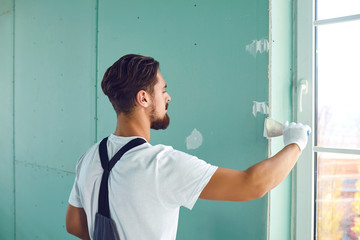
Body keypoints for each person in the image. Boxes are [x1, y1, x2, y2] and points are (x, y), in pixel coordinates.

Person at [66, 54, 310, 240]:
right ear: (143, 98)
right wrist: (296, 143)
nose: (168, 97)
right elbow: (252, 184)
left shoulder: (88, 157)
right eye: (163, 90)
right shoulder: (160, 164)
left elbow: (74, 224)